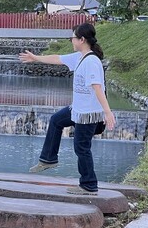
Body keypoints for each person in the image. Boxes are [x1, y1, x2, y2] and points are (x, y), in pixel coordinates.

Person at [18, 23, 116, 195]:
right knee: (56, 120)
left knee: (81, 148)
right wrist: (35, 58)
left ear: (82, 39)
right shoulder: (80, 56)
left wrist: (107, 112)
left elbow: (98, 88)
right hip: (77, 109)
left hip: (88, 114)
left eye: (73, 37)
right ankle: (48, 159)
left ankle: (89, 185)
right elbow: (58, 58)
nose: (71, 40)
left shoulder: (91, 61)